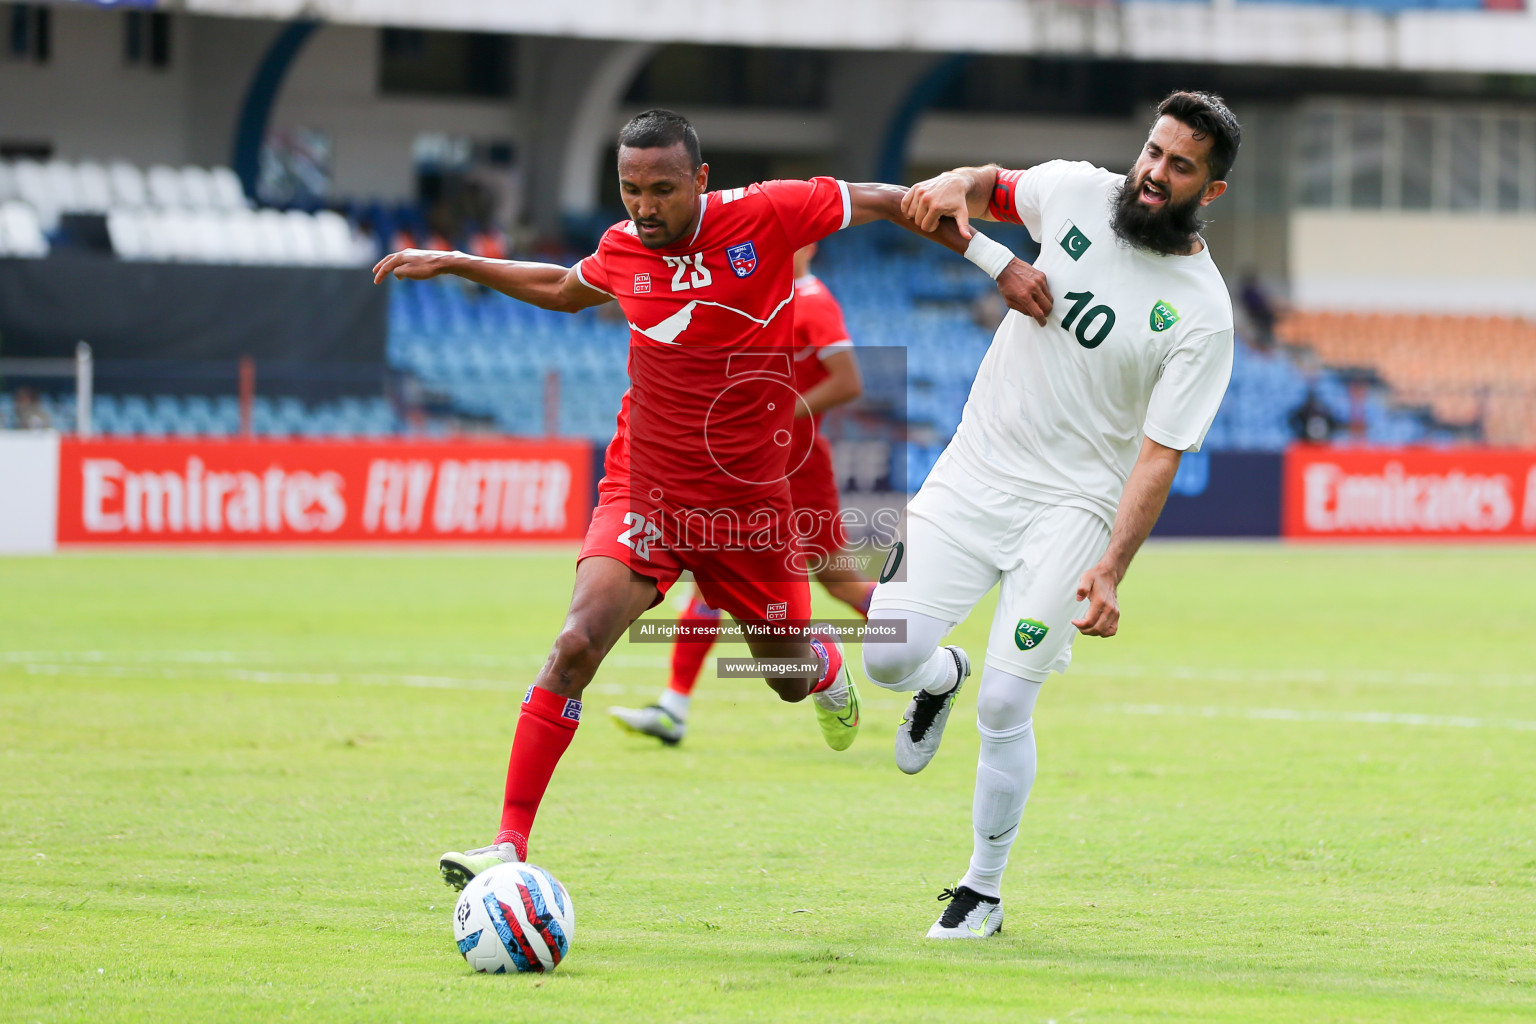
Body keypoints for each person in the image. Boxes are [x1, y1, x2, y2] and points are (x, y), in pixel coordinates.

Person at [372, 109, 1034, 890]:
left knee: (784, 677)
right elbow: (559, 285)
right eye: (628, 190)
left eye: (660, 189)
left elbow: (889, 200)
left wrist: (996, 263)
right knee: (577, 642)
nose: (643, 207)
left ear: (701, 180)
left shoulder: (768, 212)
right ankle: (508, 843)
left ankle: (821, 666)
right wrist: (453, 261)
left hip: (748, 509)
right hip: (644, 489)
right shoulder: (623, 249)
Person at [863, 91, 1241, 938]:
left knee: (1006, 705)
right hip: (974, 471)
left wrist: (1110, 566)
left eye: (1180, 167)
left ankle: (982, 892)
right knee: (889, 658)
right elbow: (981, 185)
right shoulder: (1075, 190)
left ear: (1209, 191)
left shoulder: (1205, 314)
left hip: (1072, 510)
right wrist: (987, 243)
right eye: (1153, 151)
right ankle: (937, 680)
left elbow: (1159, 453)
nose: (1154, 174)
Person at [608, 242, 877, 746]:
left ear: (810, 243)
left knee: (838, 581)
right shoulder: (761, 298)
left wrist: (773, 413)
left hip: (795, 466)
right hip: (748, 466)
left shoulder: (813, 301)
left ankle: (927, 659)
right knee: (709, 577)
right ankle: (674, 707)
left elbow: (848, 382)